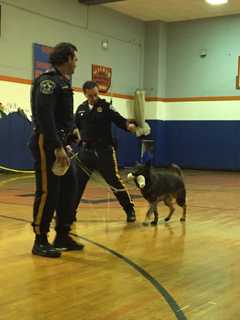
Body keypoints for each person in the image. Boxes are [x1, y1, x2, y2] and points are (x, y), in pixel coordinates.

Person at [29, 42, 84, 258]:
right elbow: (45, 117)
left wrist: (73, 130)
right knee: (48, 191)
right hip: (48, 144)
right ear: (68, 58)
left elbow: (62, 116)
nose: (76, 63)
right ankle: (40, 239)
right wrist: (57, 146)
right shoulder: (48, 83)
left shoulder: (63, 82)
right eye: (76, 59)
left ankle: (62, 234)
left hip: (61, 143)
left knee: (70, 187)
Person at [74, 81, 137, 223]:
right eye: (90, 96)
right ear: (85, 94)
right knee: (77, 184)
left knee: (115, 182)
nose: (94, 98)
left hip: (104, 152)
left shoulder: (106, 106)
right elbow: (74, 127)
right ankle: (70, 214)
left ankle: (129, 209)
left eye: (96, 95)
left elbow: (120, 120)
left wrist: (129, 126)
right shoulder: (81, 109)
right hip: (86, 153)